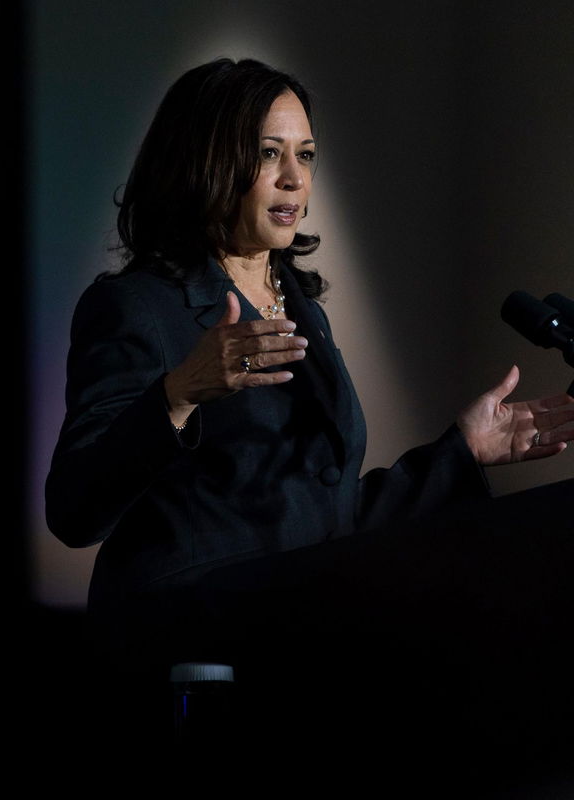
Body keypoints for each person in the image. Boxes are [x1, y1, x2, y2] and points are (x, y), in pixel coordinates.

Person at [44, 58, 574, 763]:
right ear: (208, 161)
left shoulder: (302, 311)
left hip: (300, 644)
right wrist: (178, 393)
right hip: (189, 660)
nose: (296, 179)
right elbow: (75, 508)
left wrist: (463, 454)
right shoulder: (137, 307)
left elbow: (324, 519)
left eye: (306, 154)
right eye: (269, 154)